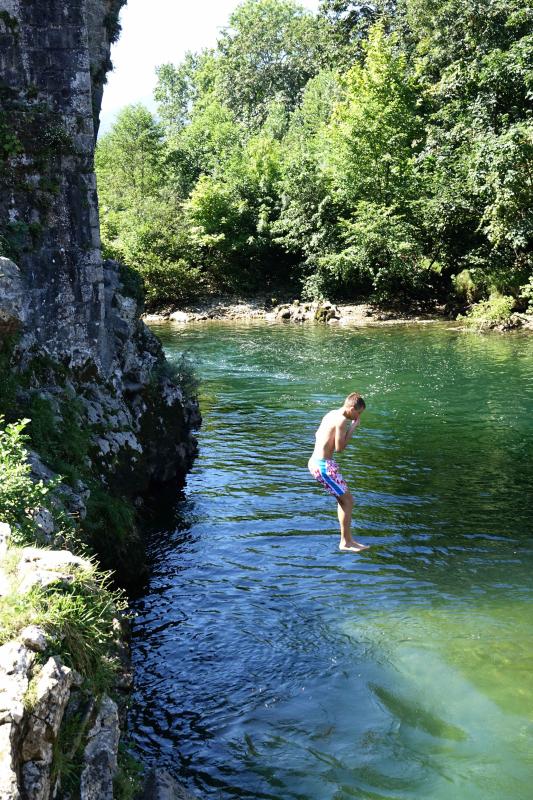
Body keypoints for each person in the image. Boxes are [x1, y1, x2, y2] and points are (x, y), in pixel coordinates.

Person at [308, 392, 369, 553]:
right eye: (358, 413)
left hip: (316, 462)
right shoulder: (342, 420)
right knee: (348, 501)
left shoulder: (331, 414)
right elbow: (339, 448)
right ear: (351, 408)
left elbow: (318, 434)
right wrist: (353, 427)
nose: (358, 416)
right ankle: (345, 542)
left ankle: (348, 540)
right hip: (323, 466)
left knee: (344, 501)